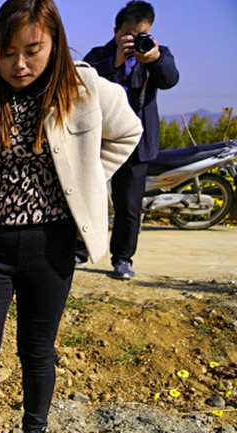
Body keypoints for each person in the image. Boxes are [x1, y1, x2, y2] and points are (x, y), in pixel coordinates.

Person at [0, 0, 141, 433]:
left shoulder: (86, 89)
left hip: (50, 245)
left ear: (54, 42)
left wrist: (91, 178)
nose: (18, 64)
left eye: (32, 50)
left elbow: (128, 132)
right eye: (6, 53)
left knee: (37, 350)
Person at [84, 0, 179, 280]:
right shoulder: (98, 55)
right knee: (86, 196)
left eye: (142, 35)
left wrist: (155, 59)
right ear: (116, 32)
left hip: (137, 142)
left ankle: (122, 259)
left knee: (129, 205)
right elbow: (80, 83)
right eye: (129, 36)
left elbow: (170, 79)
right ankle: (78, 247)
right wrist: (113, 64)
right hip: (97, 141)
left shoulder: (157, 55)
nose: (136, 41)